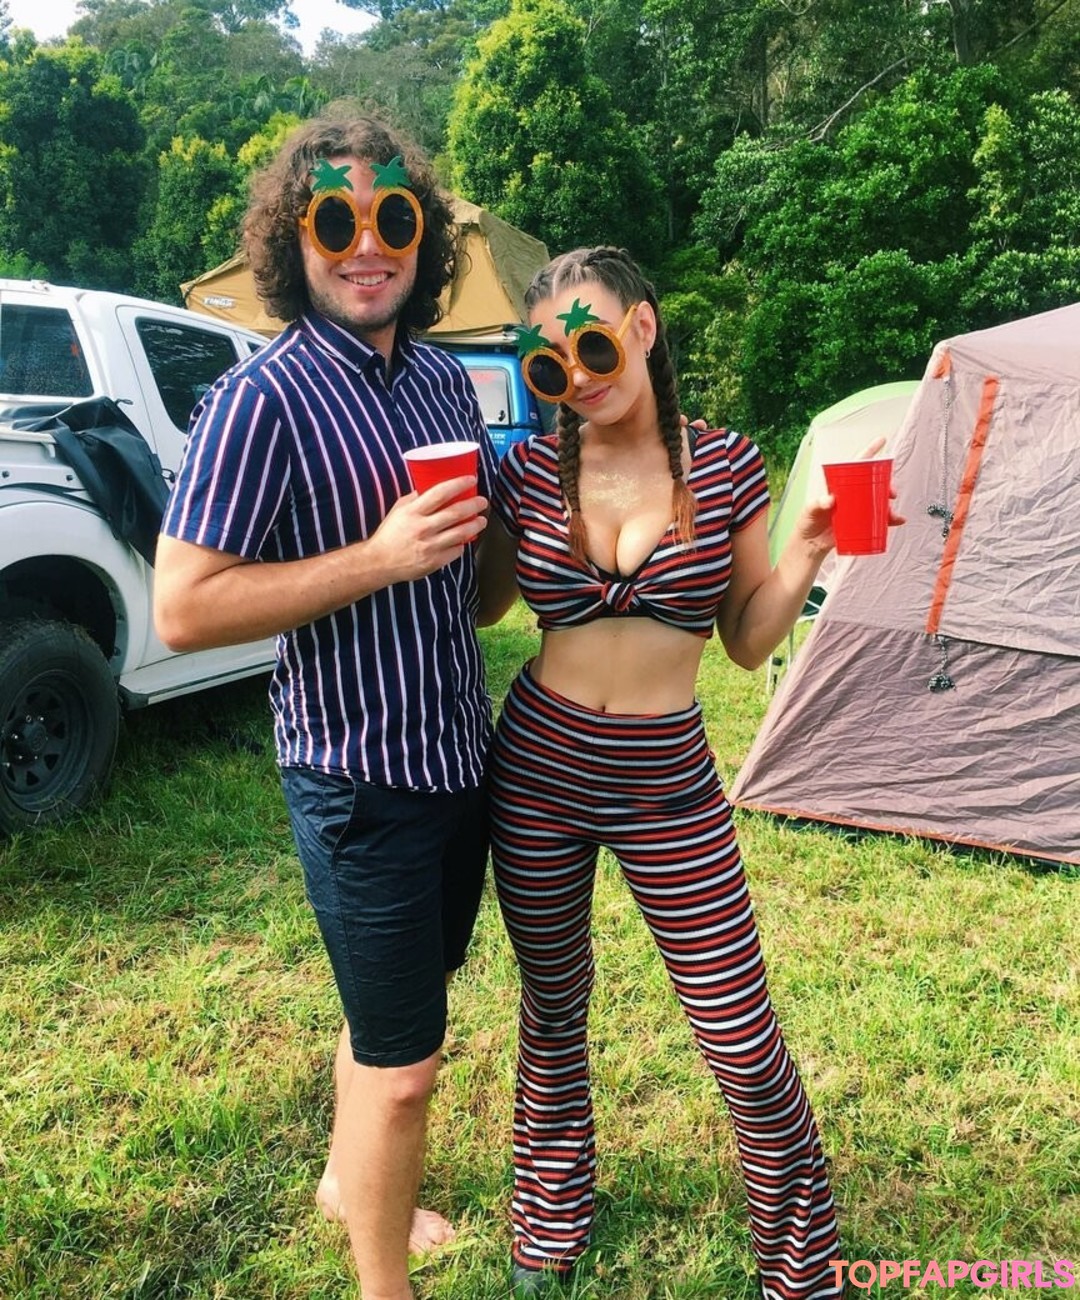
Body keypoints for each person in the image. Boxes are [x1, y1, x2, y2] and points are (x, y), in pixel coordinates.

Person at [477, 246, 897, 1299]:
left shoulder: (727, 464)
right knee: (552, 1005)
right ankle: (551, 1214)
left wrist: (808, 549)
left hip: (668, 781)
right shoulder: (527, 471)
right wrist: (452, 521)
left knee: (739, 1032)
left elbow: (747, 641)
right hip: (539, 769)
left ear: (644, 328)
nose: (577, 375)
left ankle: (800, 1260)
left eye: (594, 345)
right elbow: (485, 608)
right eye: (550, 362)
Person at [153, 104, 498, 1300]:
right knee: (407, 1069)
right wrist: (378, 557)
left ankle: (348, 1183)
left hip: (455, 755)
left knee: (391, 1008)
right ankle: (380, 1281)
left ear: (422, 235)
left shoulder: (447, 383)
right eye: (334, 221)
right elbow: (184, 606)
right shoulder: (263, 400)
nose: (366, 246)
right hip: (358, 777)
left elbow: (480, 596)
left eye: (392, 217)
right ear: (292, 238)